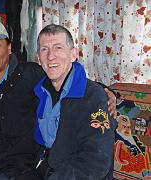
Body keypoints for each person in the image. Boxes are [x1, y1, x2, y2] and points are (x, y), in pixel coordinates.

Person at [0, 20, 117, 180]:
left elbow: (70, 80)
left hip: (23, 169)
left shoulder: (32, 76)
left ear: (9, 48)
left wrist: (107, 91)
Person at [33, 24, 117, 180]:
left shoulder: (93, 97)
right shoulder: (38, 89)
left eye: (58, 48)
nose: (51, 56)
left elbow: (96, 160)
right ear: (38, 58)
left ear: (73, 54)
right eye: (44, 49)